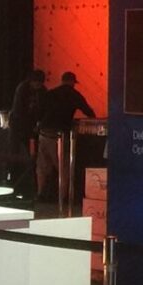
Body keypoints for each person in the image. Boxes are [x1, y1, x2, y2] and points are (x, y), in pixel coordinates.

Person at [36, 70, 94, 201]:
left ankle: (40, 194)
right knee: (64, 168)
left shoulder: (50, 93)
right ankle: (63, 198)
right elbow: (89, 112)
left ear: (62, 80)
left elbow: (39, 112)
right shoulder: (74, 94)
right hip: (58, 136)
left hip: (43, 133)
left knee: (42, 167)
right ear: (73, 82)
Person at [7, 68, 46, 198]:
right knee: (16, 155)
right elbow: (19, 110)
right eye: (36, 83)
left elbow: (42, 109)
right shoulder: (22, 89)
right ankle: (14, 184)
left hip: (31, 128)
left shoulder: (42, 91)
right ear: (31, 81)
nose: (38, 86)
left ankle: (29, 185)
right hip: (18, 127)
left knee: (33, 158)